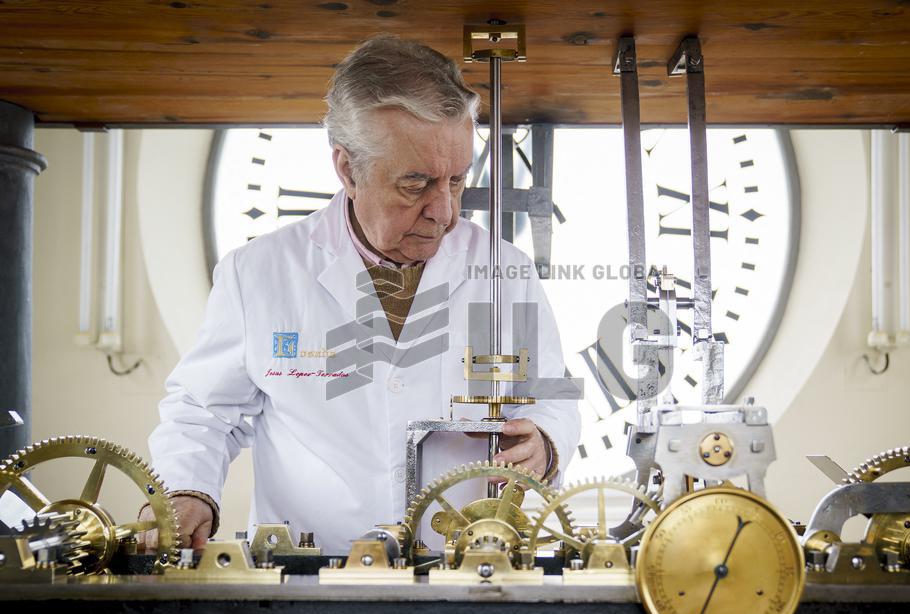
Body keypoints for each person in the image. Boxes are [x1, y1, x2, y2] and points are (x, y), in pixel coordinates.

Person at [139, 36, 581, 553]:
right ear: (348, 169)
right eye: (416, 185)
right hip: (308, 577)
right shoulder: (258, 273)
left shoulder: (505, 271)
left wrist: (544, 444)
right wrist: (187, 491)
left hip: (463, 571)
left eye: (457, 181)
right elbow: (203, 413)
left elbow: (551, 398)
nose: (445, 213)